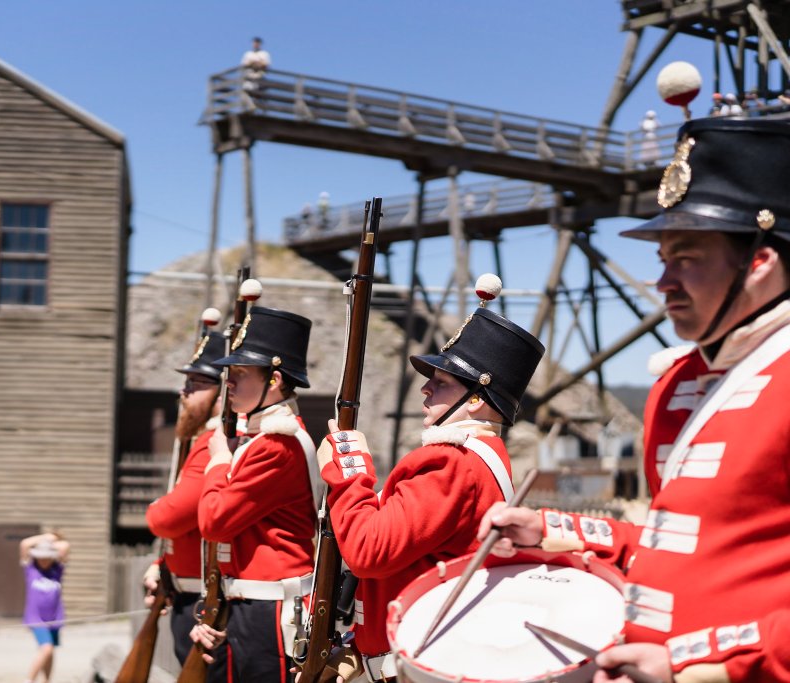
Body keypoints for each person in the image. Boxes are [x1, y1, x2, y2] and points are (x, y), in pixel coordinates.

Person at [481, 117, 790, 682]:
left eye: (688, 259)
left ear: (760, 263)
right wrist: (551, 530)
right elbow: (668, 544)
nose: (664, 282)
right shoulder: (674, 388)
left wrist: (696, 665)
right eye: (663, 260)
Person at [313, 277, 545, 682]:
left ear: (475, 399)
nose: (425, 388)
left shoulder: (449, 461)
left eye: (442, 383)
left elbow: (368, 551)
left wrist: (348, 469)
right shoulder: (473, 458)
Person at [191, 307, 321, 682]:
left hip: (270, 607)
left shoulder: (277, 445)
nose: (228, 383)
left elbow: (214, 522)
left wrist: (218, 461)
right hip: (250, 602)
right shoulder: (262, 439)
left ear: (275, 380)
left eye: (241, 374)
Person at [143, 330, 228, 679]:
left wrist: (156, 507)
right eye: (188, 383)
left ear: (221, 393)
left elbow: (170, 518)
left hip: (200, 599)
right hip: (186, 592)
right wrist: (161, 564)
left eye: (198, 383)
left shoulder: (212, 441)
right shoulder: (200, 440)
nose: (185, 392)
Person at [19, 531, 70, 683]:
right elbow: (24, 544)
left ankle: (46, 681)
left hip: (54, 618)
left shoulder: (57, 570)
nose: (44, 560)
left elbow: (65, 545)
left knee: (50, 651)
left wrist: (50, 543)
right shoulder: (31, 569)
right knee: (46, 649)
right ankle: (29, 680)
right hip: (36, 619)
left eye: (47, 556)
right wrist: (46, 538)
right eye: (41, 556)